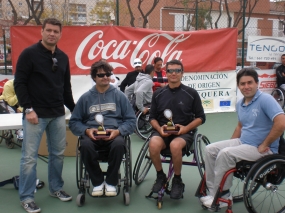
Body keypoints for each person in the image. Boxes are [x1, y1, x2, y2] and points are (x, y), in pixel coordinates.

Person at [200, 68, 285, 209]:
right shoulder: (240, 104)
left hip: (262, 148)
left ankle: (223, 196)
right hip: (244, 142)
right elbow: (240, 126)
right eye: (242, 84)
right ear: (238, 86)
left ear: (257, 83)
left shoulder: (266, 100)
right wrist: (231, 143)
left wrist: (265, 144)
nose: (246, 87)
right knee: (210, 149)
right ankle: (214, 192)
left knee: (226, 153)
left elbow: (281, 123)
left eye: (250, 83)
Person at [14, 18, 75, 213]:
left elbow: (66, 89)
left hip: (57, 114)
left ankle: (56, 188)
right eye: (48, 30)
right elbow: (20, 83)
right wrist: (28, 109)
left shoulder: (63, 57)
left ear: (60, 34)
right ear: (41, 32)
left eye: (55, 31)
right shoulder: (29, 54)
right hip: (35, 115)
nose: (52, 34)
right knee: (29, 158)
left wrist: (75, 109)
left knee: (57, 155)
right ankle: (27, 197)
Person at [69, 60, 136, 197]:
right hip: (91, 134)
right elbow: (74, 121)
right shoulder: (85, 98)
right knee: (85, 146)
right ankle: (98, 182)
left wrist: (119, 131)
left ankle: (111, 182)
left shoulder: (120, 96)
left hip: (114, 133)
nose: (105, 77)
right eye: (101, 75)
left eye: (108, 74)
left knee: (119, 144)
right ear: (94, 77)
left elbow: (131, 120)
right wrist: (86, 131)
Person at [148, 59, 205, 199]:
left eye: (177, 71)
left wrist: (186, 129)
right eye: (170, 71)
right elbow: (152, 118)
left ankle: (177, 180)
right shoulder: (158, 94)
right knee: (153, 144)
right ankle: (160, 176)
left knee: (175, 145)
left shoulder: (191, 93)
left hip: (183, 133)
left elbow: (201, 117)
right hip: (163, 131)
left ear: (182, 73)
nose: (174, 73)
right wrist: (159, 128)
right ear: (165, 73)